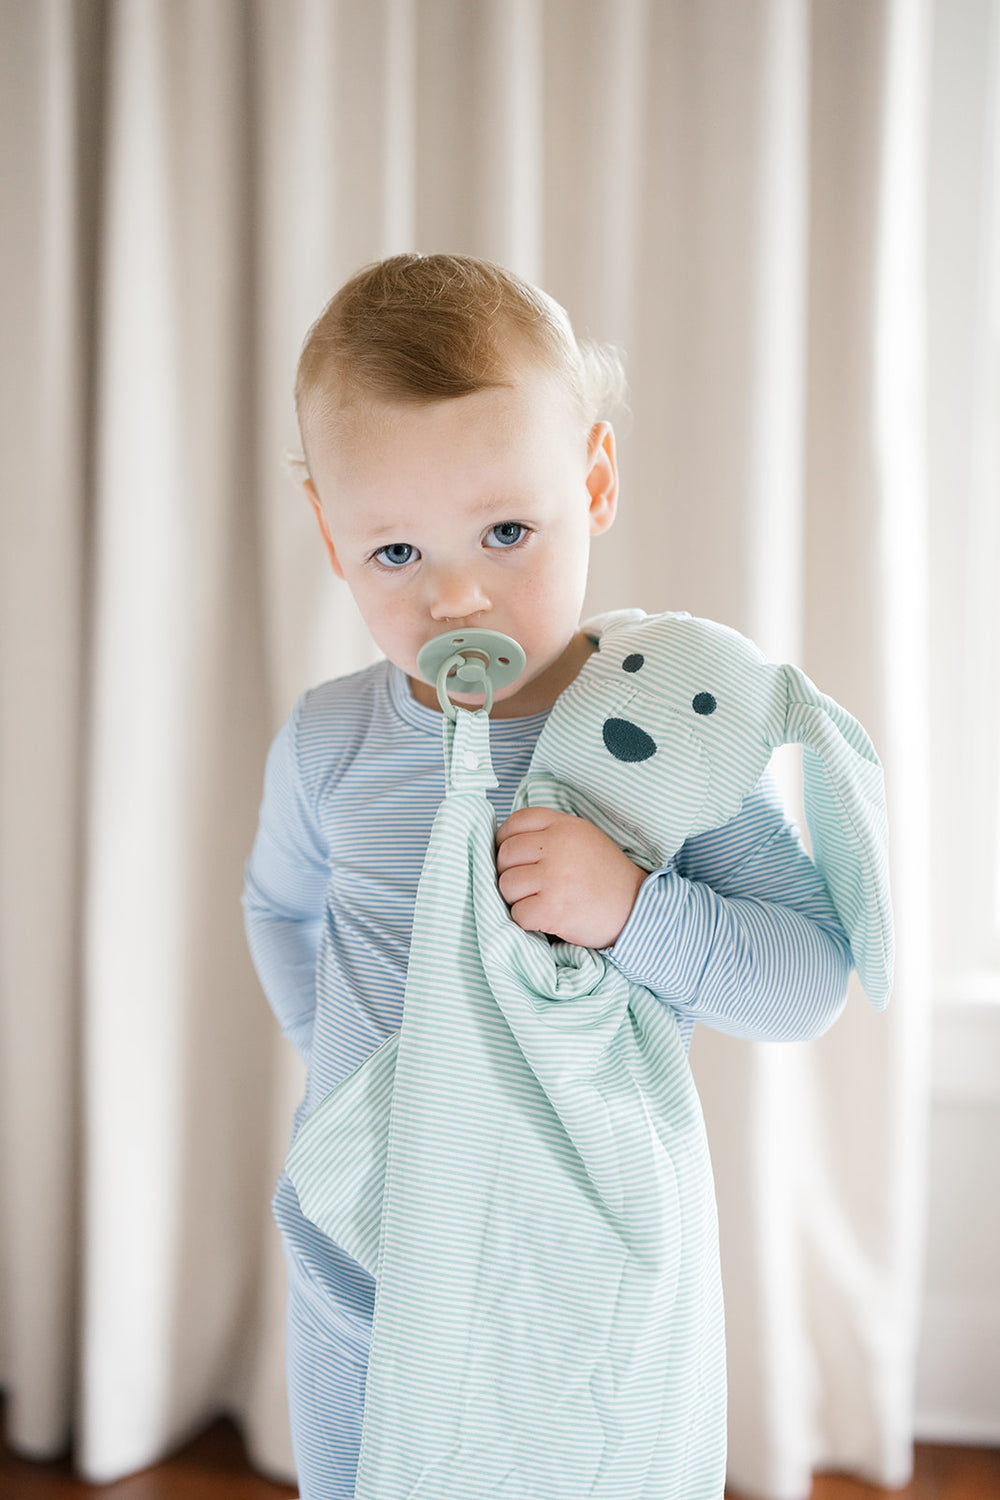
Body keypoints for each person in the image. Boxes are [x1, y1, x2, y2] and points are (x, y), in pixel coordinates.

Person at [242, 252, 852, 1499]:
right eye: (394, 552)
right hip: (372, 1259)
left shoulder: (660, 732)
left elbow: (805, 983)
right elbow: (278, 905)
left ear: (595, 481)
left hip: (584, 1272)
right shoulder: (329, 742)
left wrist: (634, 911)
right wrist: (346, 1076)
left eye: (507, 532)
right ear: (328, 535)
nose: (455, 594)